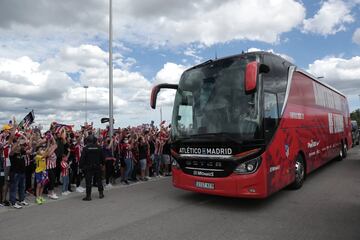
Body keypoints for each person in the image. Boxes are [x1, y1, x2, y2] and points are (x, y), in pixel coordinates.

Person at [79, 135, 104, 201]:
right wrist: (103, 164)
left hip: (88, 167)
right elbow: (102, 157)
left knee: (88, 182)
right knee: (99, 180)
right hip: (97, 166)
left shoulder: (85, 148)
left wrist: (81, 166)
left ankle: (88, 196)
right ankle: (101, 194)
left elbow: (82, 158)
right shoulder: (99, 147)